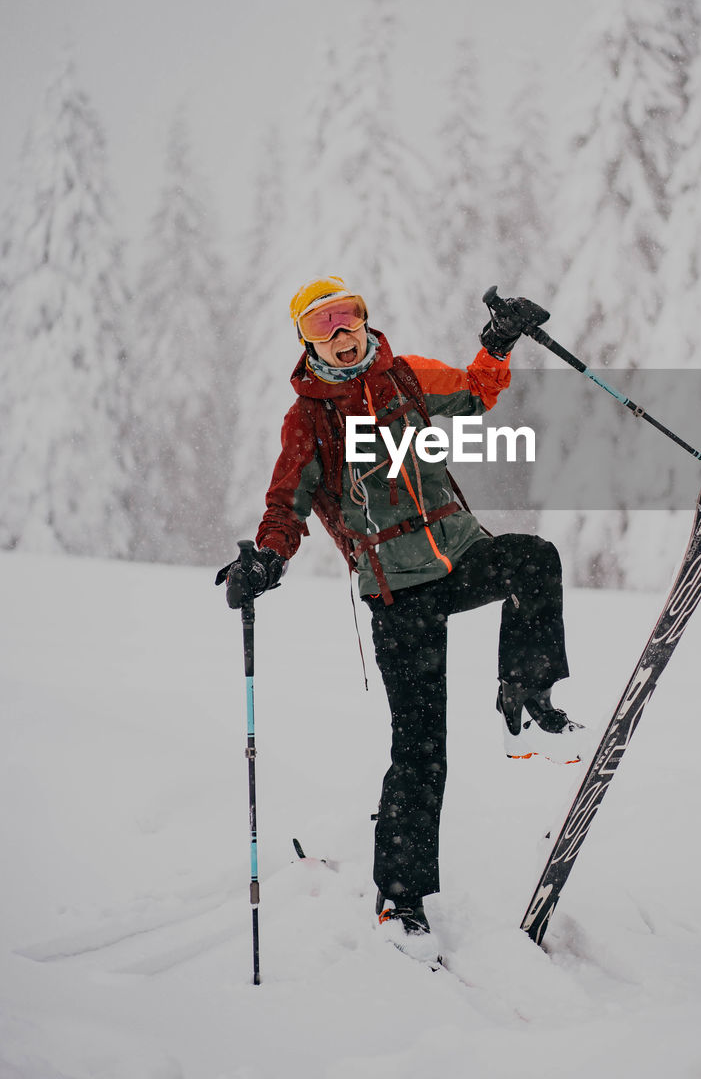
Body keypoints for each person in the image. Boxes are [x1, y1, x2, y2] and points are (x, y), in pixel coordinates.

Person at [217, 276, 578, 959]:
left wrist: (496, 342)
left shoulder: (404, 376)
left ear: (363, 319)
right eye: (322, 323)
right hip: (395, 592)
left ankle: (527, 694)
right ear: (307, 339)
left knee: (532, 558)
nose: (341, 329)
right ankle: (401, 895)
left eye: (347, 315)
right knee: (420, 750)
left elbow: (473, 393)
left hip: (459, 556)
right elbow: (285, 506)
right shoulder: (309, 419)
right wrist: (265, 560)